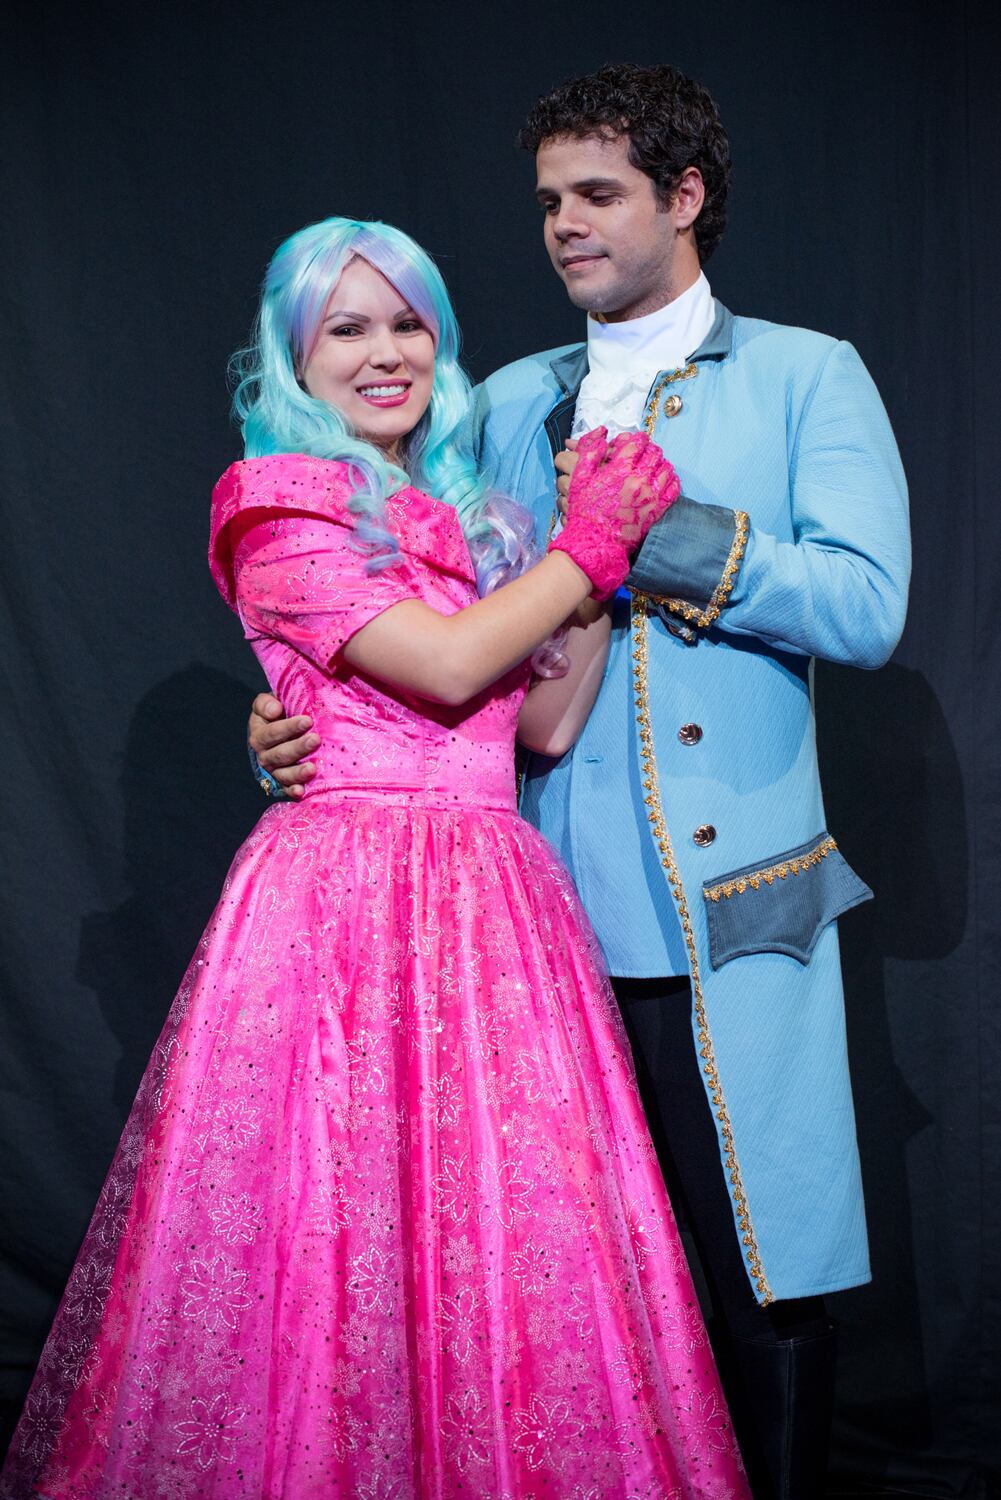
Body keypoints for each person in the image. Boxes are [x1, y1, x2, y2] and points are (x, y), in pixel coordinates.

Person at [1, 217, 751, 1499]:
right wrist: (587, 545)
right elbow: (449, 667)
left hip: (491, 898)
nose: (384, 352)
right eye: (344, 328)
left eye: (407, 323)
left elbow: (538, 725)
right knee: (332, 1226)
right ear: (295, 357)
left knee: (504, 1227)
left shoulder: (472, 522)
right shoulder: (276, 506)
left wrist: (587, 570)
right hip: (344, 902)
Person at [250, 66, 911, 1498]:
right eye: (549, 199)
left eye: (598, 194)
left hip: (727, 910)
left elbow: (866, 608)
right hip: (523, 922)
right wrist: (300, 712)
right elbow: (419, 610)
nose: (563, 224)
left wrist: (655, 538)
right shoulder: (504, 401)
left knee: (762, 1267)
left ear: (685, 199)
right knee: (569, 1288)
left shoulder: (804, 374)